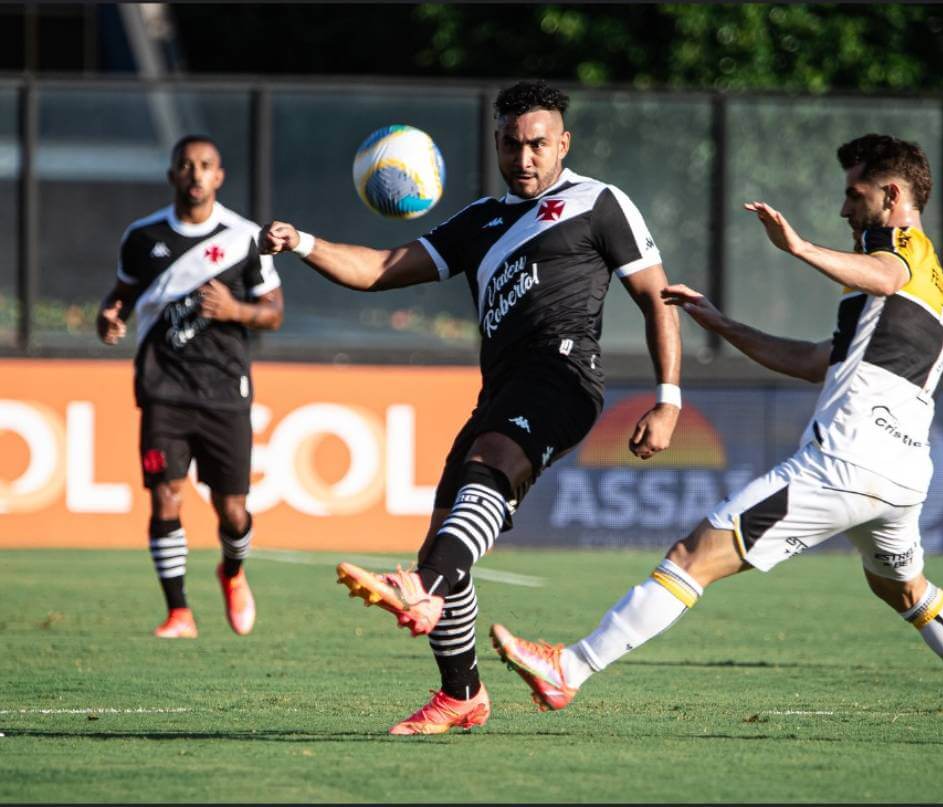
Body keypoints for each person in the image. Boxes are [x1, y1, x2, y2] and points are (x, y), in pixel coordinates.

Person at [490, 134, 943, 747]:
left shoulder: (899, 250)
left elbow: (885, 273)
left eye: (854, 195)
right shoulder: (926, 286)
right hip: (904, 473)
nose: (843, 210)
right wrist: (723, 324)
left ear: (891, 194)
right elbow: (814, 361)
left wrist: (799, 247)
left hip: (846, 461)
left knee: (693, 556)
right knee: (902, 587)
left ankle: (570, 669)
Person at [259, 80, 681, 735]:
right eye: (512, 143)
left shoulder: (598, 203)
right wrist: (304, 244)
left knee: (488, 467)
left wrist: (668, 398)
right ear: (496, 144)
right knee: (443, 536)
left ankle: (422, 587)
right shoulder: (479, 221)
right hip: (501, 390)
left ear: (562, 142)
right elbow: (377, 268)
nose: (525, 156)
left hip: (565, 375)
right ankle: (463, 693)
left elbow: (658, 297)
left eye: (539, 143)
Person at [96, 135, 284, 640]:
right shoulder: (142, 237)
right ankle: (179, 612)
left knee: (233, 510)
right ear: (172, 176)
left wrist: (236, 310)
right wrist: (109, 317)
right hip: (163, 388)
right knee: (165, 496)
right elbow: (121, 297)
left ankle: (233, 571)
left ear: (219, 177)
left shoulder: (246, 237)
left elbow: (274, 312)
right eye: (186, 166)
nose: (196, 174)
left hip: (225, 389)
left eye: (206, 166)